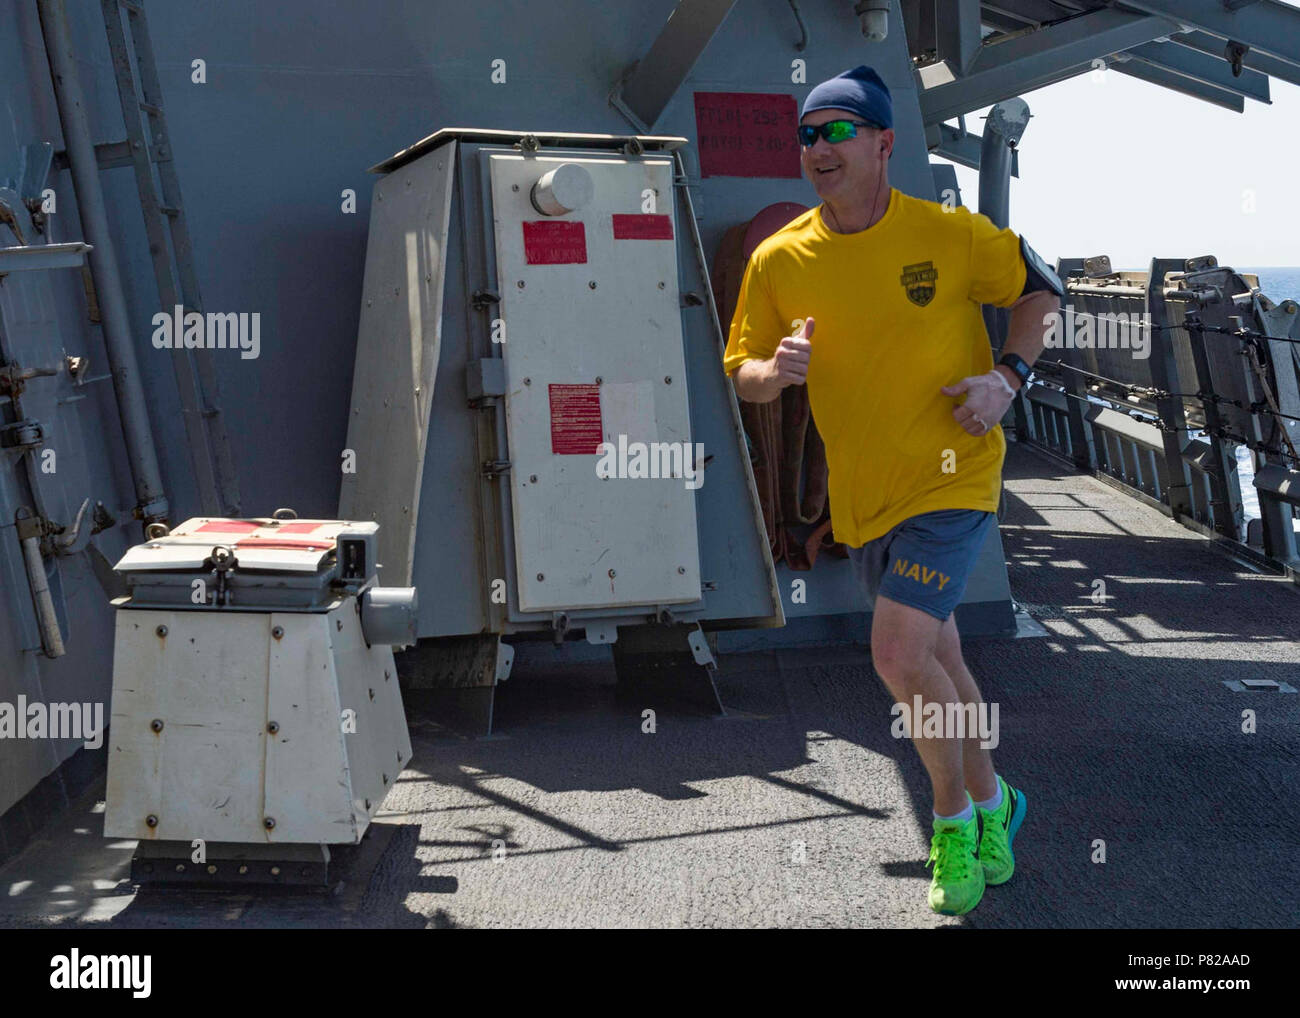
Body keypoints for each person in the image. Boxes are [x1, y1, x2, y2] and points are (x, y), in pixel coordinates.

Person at [722, 65, 1063, 916]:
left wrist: (1006, 380)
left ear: (884, 144)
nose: (818, 148)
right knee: (940, 655)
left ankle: (950, 823)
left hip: (955, 477)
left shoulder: (949, 235)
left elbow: (1040, 293)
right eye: (807, 134)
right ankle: (997, 802)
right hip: (866, 496)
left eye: (838, 131)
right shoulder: (779, 257)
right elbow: (743, 374)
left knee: (899, 653)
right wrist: (776, 370)